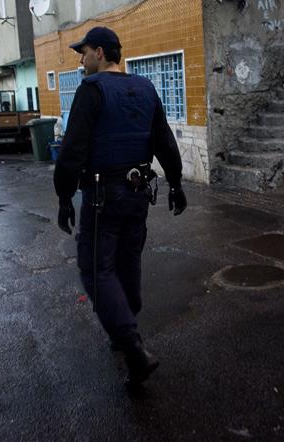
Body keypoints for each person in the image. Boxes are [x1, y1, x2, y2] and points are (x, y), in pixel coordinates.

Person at [53, 26, 187, 388]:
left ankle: (133, 348)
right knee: (128, 261)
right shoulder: (145, 89)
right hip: (139, 193)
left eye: (84, 53)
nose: (81, 60)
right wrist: (175, 184)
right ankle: (123, 327)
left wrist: (65, 196)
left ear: (100, 52)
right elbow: (164, 141)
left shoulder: (91, 91)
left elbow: (73, 150)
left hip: (103, 197)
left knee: (96, 268)